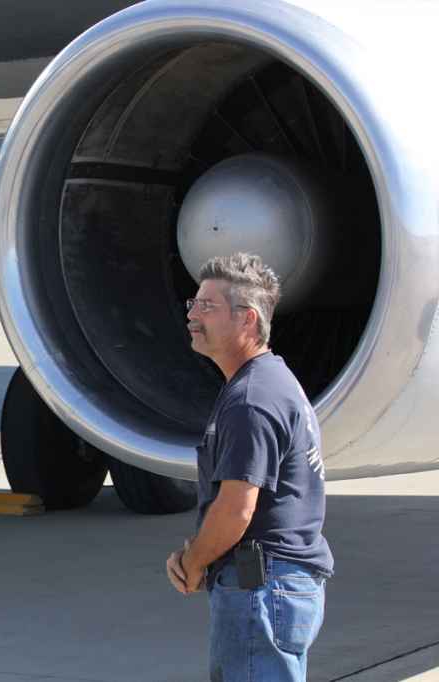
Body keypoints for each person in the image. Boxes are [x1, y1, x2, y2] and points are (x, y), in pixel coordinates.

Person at [165, 252, 333, 682]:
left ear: (248, 320)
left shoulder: (251, 398)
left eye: (208, 306)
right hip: (273, 585)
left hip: (261, 589)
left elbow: (237, 509)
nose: (193, 316)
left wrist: (194, 561)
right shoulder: (268, 383)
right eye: (193, 304)